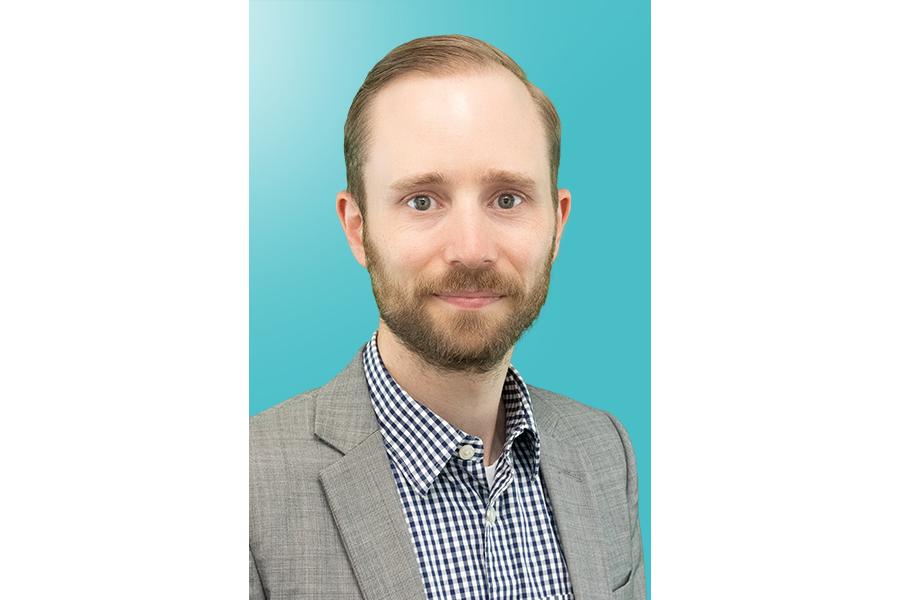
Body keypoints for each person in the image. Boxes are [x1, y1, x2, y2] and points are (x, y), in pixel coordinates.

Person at [250, 34, 645, 600]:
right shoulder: (248, 487)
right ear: (358, 228)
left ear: (557, 224)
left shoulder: (605, 450)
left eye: (507, 199)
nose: (471, 249)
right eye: (422, 200)